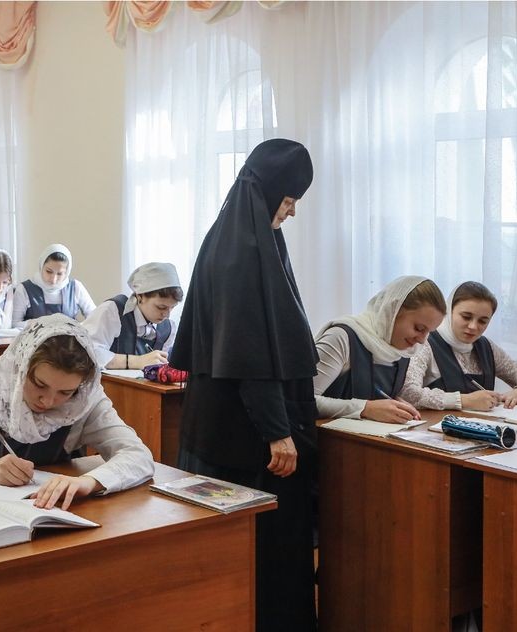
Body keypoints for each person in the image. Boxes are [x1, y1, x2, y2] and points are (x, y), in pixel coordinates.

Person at [171, 138, 319, 632]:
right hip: (248, 439)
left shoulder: (237, 239)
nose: (292, 211)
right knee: (264, 557)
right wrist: (279, 432)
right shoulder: (243, 251)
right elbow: (250, 355)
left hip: (230, 428)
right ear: (270, 190)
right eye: (290, 198)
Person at [0, 314, 154, 510]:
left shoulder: (84, 399)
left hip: (49, 514)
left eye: (65, 392)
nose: (48, 401)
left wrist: (90, 482)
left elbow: (138, 455)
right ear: (21, 366)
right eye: (39, 384)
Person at [400, 281, 517, 410]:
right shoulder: (425, 343)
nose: (473, 327)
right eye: (466, 317)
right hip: (436, 431)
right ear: (449, 311)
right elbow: (408, 393)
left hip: (484, 430)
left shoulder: (487, 347)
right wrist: (464, 400)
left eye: (483, 321)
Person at [315, 275, 446, 423]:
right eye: (419, 328)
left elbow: (371, 393)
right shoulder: (342, 337)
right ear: (393, 311)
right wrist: (365, 409)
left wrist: (395, 404)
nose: (421, 340)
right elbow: (303, 400)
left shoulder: (403, 351)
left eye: (428, 332)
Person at [82, 262, 182, 369]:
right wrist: (137, 361)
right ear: (140, 296)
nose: (167, 315)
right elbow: (87, 352)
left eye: (172, 308)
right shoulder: (113, 311)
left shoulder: (168, 328)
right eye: (161, 307)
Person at [10, 243, 96, 328]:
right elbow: (14, 323)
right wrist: (34, 323)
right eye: (49, 271)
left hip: (69, 337)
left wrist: (78, 326)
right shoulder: (24, 289)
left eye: (59, 274)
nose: (53, 279)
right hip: (34, 337)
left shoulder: (75, 287)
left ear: (67, 272)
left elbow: (95, 318)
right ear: (41, 266)